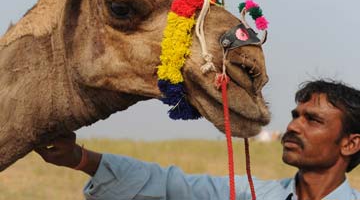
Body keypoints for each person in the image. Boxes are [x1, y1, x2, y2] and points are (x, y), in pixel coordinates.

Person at [36, 79, 360, 200]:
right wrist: (79, 159)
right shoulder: (248, 193)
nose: (294, 127)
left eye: (313, 120)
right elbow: (167, 184)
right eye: (295, 116)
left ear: (350, 143)